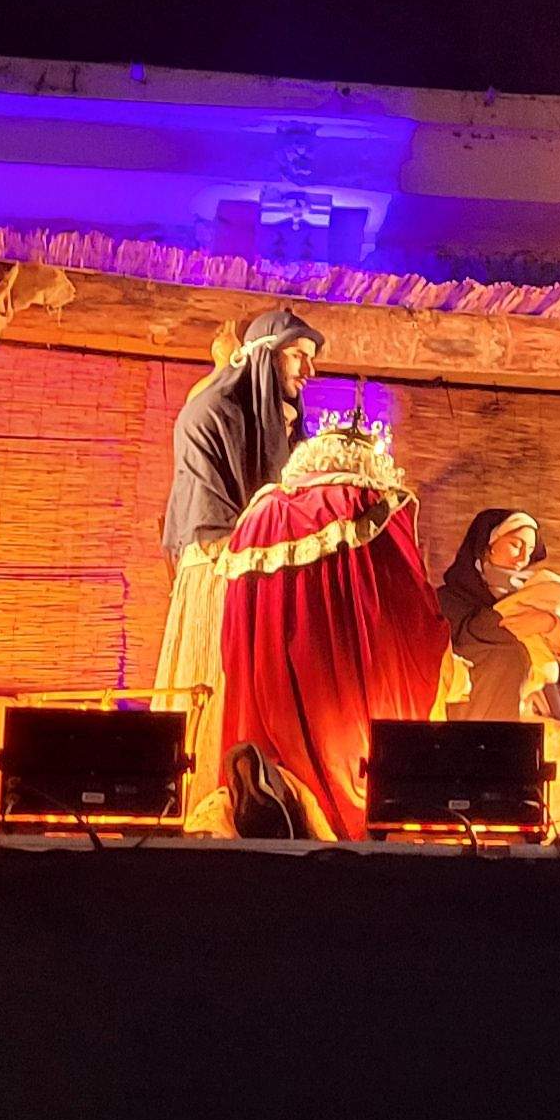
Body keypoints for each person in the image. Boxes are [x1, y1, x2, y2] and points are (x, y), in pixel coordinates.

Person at [212, 418, 449, 840]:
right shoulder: (375, 505)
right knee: (356, 766)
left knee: (273, 770)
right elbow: (407, 605)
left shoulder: (259, 513)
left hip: (266, 674)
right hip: (346, 678)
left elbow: (233, 625)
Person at [156, 308, 320, 796]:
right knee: (216, 688)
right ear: (264, 358)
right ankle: (205, 792)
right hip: (218, 579)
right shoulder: (208, 415)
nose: (309, 372)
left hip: (263, 582)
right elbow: (211, 522)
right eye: (298, 356)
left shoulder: (281, 424)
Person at [435, 507, 560, 821]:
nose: (522, 557)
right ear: (487, 545)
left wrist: (550, 625)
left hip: (537, 712)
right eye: (515, 544)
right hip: (479, 716)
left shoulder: (535, 594)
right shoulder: (450, 600)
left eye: (528, 549)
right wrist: (502, 627)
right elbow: (456, 648)